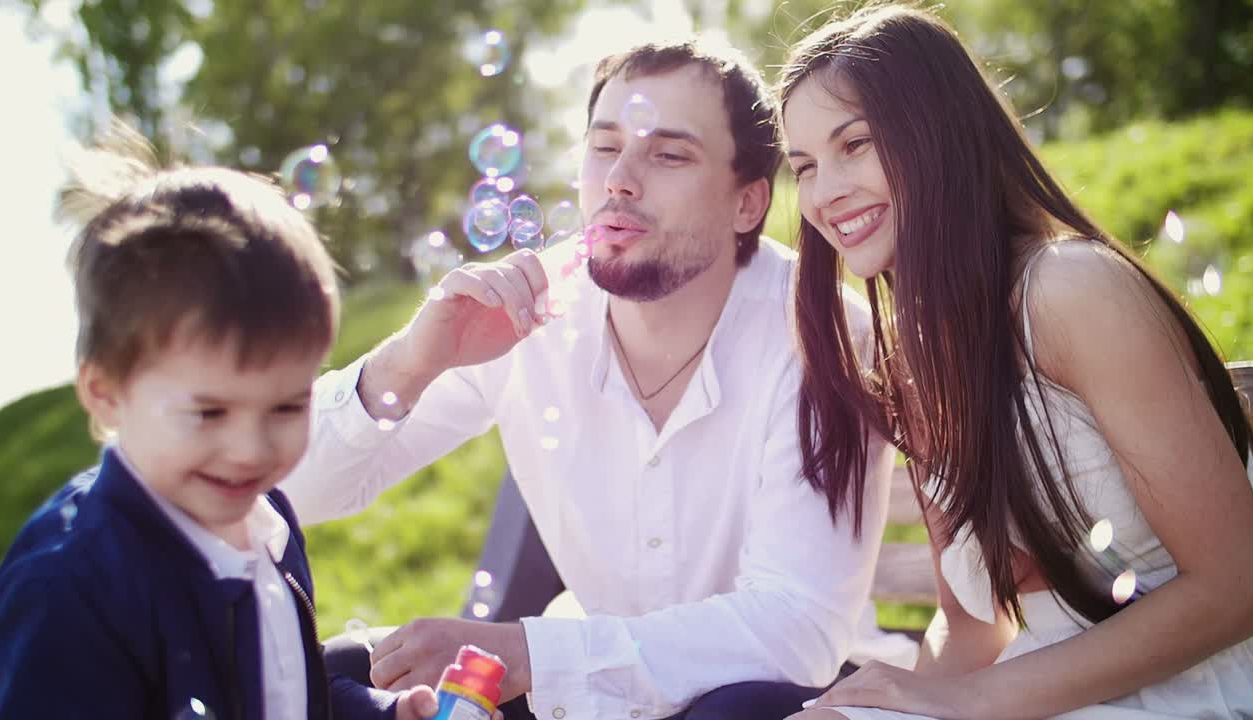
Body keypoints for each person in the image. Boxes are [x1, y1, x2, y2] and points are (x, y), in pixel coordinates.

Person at [281, 38, 897, 720]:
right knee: (325, 674)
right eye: (605, 147)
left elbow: (793, 631)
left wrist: (529, 654)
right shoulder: (520, 316)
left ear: (747, 204)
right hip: (588, 695)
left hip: (779, 697)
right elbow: (284, 487)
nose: (619, 180)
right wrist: (412, 361)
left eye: (668, 155)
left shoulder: (820, 338)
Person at [776, 5, 1253, 719]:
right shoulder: (916, 355)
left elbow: (1241, 584)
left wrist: (973, 700)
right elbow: (974, 625)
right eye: (806, 167)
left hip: (1200, 691)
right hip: (1039, 694)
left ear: (940, 137)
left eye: (856, 144)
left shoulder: (1070, 291)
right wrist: (894, 703)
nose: (825, 193)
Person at [0, 121, 448, 720]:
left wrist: (378, 714)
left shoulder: (268, 520)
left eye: (287, 405)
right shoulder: (72, 588)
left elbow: (281, 695)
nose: (251, 449)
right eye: (208, 412)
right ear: (106, 392)